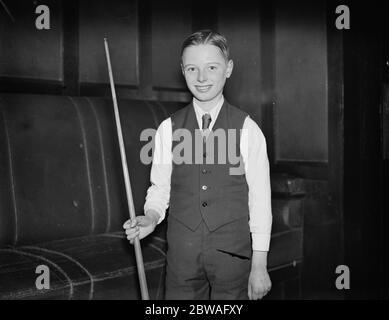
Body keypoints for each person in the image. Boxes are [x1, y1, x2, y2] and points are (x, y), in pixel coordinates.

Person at [123, 30, 272, 300]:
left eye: (211, 67)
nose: (202, 78)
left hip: (233, 258)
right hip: (182, 256)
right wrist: (151, 217)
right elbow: (160, 189)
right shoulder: (168, 129)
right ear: (183, 71)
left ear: (228, 69)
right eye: (192, 69)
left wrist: (259, 266)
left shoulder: (248, 130)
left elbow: (261, 203)